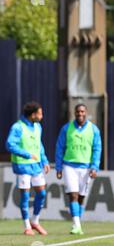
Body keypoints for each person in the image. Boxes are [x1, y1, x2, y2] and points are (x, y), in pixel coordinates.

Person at [55, 104, 102, 235]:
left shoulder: (94, 130)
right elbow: (60, 148)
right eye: (77, 111)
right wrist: (59, 167)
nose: (80, 114)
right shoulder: (66, 128)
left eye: (82, 111)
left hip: (86, 168)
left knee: (81, 197)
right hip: (69, 166)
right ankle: (76, 225)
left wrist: (94, 167)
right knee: (73, 195)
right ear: (74, 113)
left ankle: (77, 222)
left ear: (86, 112)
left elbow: (97, 149)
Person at [6, 101, 50, 236]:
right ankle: (27, 226)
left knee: (42, 193)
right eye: (40, 113)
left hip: (36, 165)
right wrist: (26, 154)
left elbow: (39, 145)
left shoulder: (38, 127)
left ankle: (35, 221)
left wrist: (44, 160)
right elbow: (10, 144)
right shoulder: (18, 127)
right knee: (25, 196)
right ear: (33, 115)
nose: (42, 116)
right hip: (22, 166)